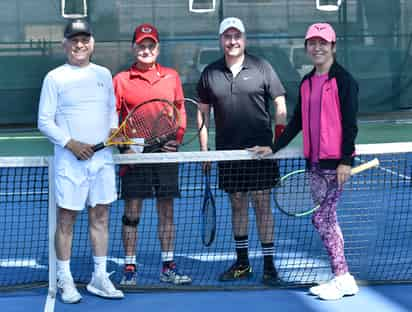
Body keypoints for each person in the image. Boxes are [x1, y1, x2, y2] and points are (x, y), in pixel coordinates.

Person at [251, 23, 360, 300]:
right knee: (327, 219)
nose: (318, 47)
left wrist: (345, 160)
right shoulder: (308, 82)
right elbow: (297, 121)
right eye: (312, 43)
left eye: (323, 42)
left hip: (336, 164)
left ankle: (342, 275)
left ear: (333, 46)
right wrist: (273, 147)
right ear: (307, 48)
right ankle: (343, 277)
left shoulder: (344, 81)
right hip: (314, 162)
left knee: (322, 217)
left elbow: (350, 125)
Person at [37, 19, 124, 303]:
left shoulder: (103, 74)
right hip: (70, 162)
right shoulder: (54, 78)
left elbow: (112, 111)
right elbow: (44, 121)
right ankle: (66, 278)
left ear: (92, 44)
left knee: (101, 217)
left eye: (84, 39)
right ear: (65, 45)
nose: (79, 45)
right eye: (74, 40)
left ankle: (100, 277)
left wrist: (113, 128)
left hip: (102, 162)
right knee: (66, 220)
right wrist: (71, 143)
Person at [196, 17, 287, 285]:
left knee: (262, 205)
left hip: (260, 152)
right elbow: (202, 115)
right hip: (228, 154)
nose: (232, 41)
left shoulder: (262, 67)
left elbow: (280, 103)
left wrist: (277, 143)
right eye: (227, 36)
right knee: (237, 205)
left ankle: (269, 266)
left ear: (244, 39)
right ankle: (243, 263)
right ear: (221, 40)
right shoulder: (210, 73)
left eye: (237, 36)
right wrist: (205, 151)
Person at [113, 23, 191, 286]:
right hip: (134, 154)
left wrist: (176, 140)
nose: (146, 50)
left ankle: (168, 267)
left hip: (165, 153)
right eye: (141, 45)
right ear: (134, 47)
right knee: (132, 212)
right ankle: (129, 269)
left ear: (158, 48)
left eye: (151, 45)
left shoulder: (172, 77)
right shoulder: (121, 79)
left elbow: (181, 110)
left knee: (166, 210)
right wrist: (123, 145)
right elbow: (112, 117)